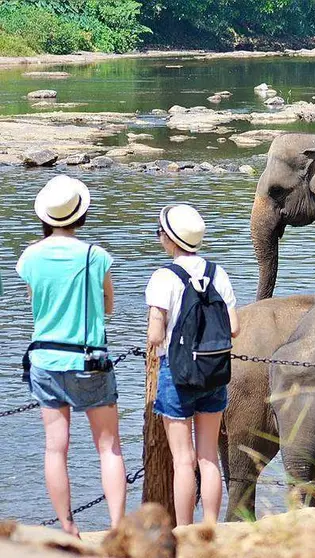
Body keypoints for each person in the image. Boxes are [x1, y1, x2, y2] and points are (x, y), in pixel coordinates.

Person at [17, 175, 125, 537]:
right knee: (109, 448)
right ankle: (116, 528)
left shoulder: (29, 256)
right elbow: (108, 304)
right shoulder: (97, 256)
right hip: (89, 361)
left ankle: (67, 526)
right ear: (81, 215)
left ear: (45, 217)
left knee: (55, 449)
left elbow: (35, 300)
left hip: (45, 360)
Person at [145, 204, 240, 525]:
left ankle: (185, 530)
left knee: (184, 461)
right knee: (209, 456)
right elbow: (234, 327)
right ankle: (211, 527)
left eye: (160, 232)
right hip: (214, 373)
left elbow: (155, 334)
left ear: (170, 240)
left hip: (178, 374)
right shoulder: (218, 272)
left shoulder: (164, 276)